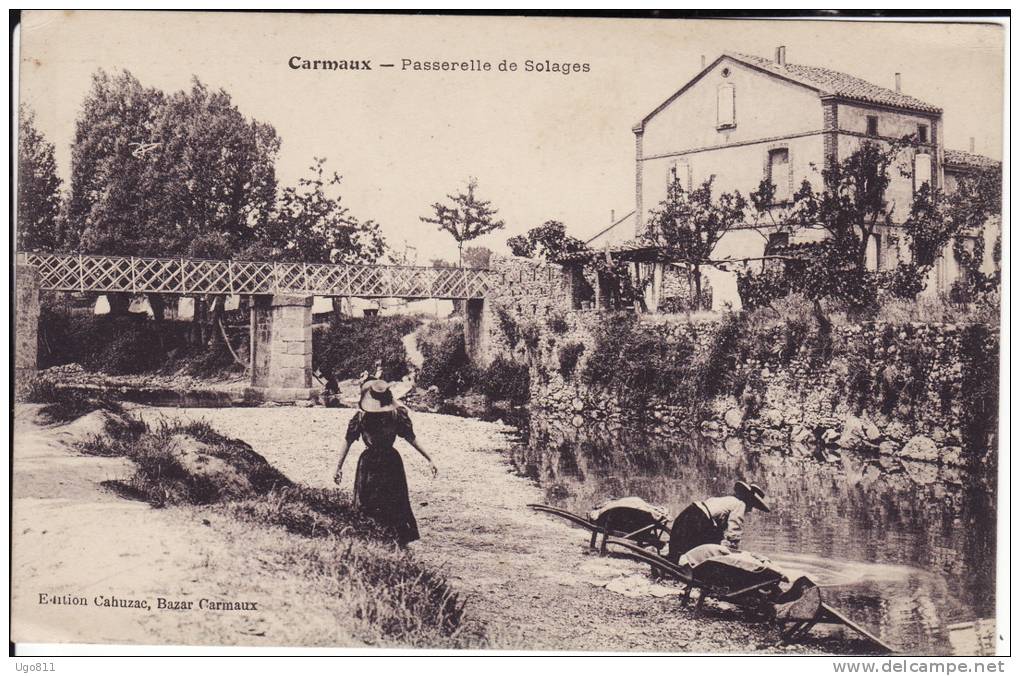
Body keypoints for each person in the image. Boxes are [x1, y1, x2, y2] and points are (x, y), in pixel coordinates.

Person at [334, 379, 438, 546]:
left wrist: (429, 458)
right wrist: (338, 467)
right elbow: (348, 440)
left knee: (389, 500)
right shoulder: (368, 417)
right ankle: (380, 538)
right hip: (385, 462)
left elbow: (411, 438)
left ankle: (386, 539)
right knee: (377, 500)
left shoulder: (390, 415)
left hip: (378, 463)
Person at [666, 481, 770, 563]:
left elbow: (717, 524)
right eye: (752, 506)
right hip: (700, 519)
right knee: (704, 549)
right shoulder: (740, 504)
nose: (750, 510)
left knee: (679, 545)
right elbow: (735, 528)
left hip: (691, 511)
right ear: (748, 501)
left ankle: (668, 564)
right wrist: (733, 548)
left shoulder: (726, 499)